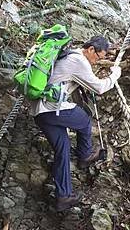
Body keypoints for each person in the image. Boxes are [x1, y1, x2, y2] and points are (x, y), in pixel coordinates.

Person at [30, 35, 121, 212]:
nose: (98, 61)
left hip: (40, 112)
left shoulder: (69, 56)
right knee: (84, 119)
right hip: (51, 109)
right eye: (99, 57)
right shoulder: (78, 60)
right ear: (91, 49)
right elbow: (100, 88)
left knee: (62, 150)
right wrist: (115, 74)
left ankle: (63, 196)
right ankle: (85, 155)